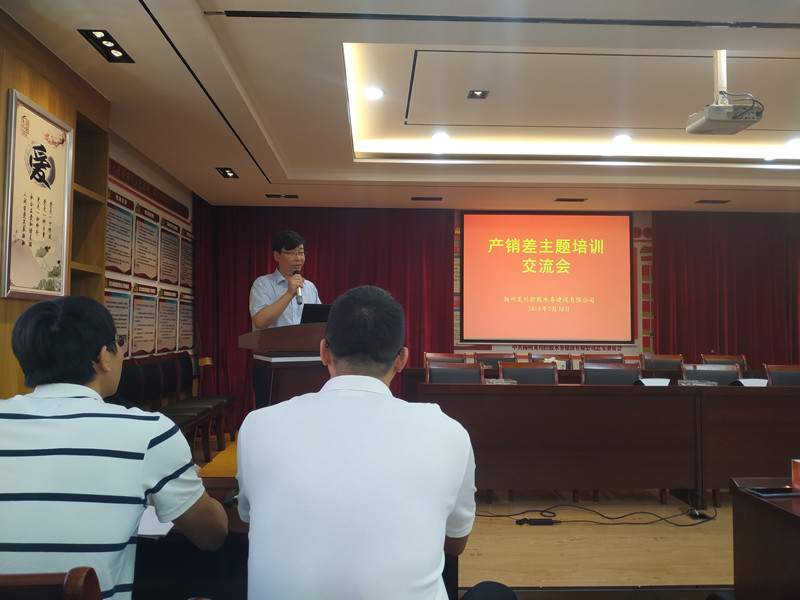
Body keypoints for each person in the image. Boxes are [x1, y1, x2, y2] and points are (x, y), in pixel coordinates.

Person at [237, 285, 514, 600]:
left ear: (324, 351)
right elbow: (455, 542)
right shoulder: (448, 433)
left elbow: (249, 518)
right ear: (402, 359)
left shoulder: (258, 426)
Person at [0, 296, 228, 600]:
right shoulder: (149, 433)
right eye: (119, 343)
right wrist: (188, 478)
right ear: (102, 358)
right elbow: (211, 536)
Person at [248, 229, 321, 407]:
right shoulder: (263, 284)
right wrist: (289, 293)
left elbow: (319, 325)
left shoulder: (310, 287)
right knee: (271, 414)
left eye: (301, 252)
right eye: (291, 253)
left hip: (306, 365)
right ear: (276, 255)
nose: (298, 258)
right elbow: (260, 320)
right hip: (272, 364)